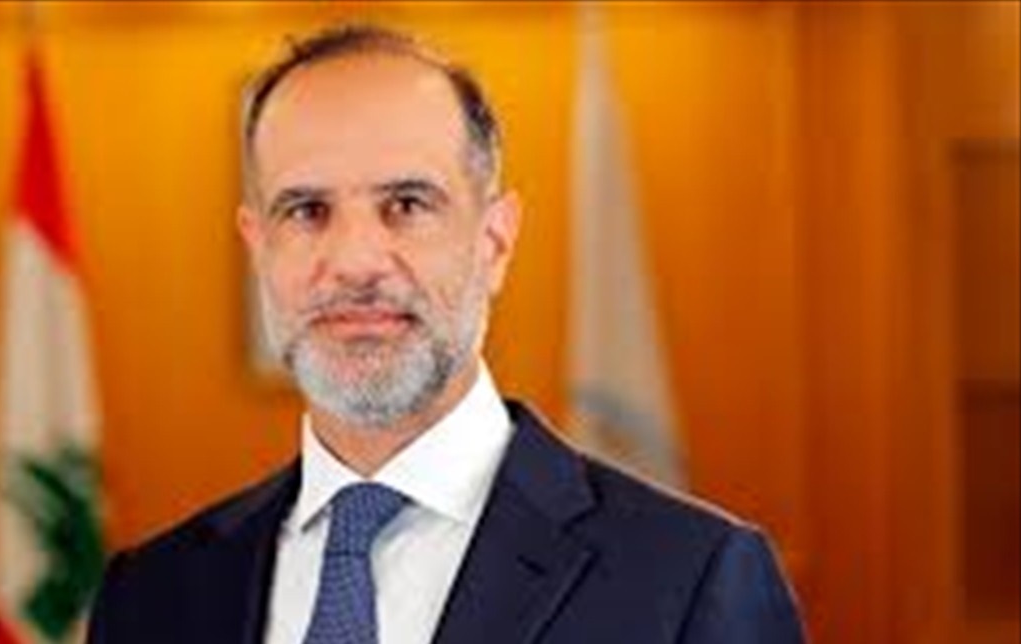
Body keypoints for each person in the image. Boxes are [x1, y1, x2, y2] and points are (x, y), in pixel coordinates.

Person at [87, 23, 805, 644]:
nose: (356, 261)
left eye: (406, 203)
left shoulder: (689, 578)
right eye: (306, 211)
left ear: (494, 241)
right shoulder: (152, 595)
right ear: (259, 248)